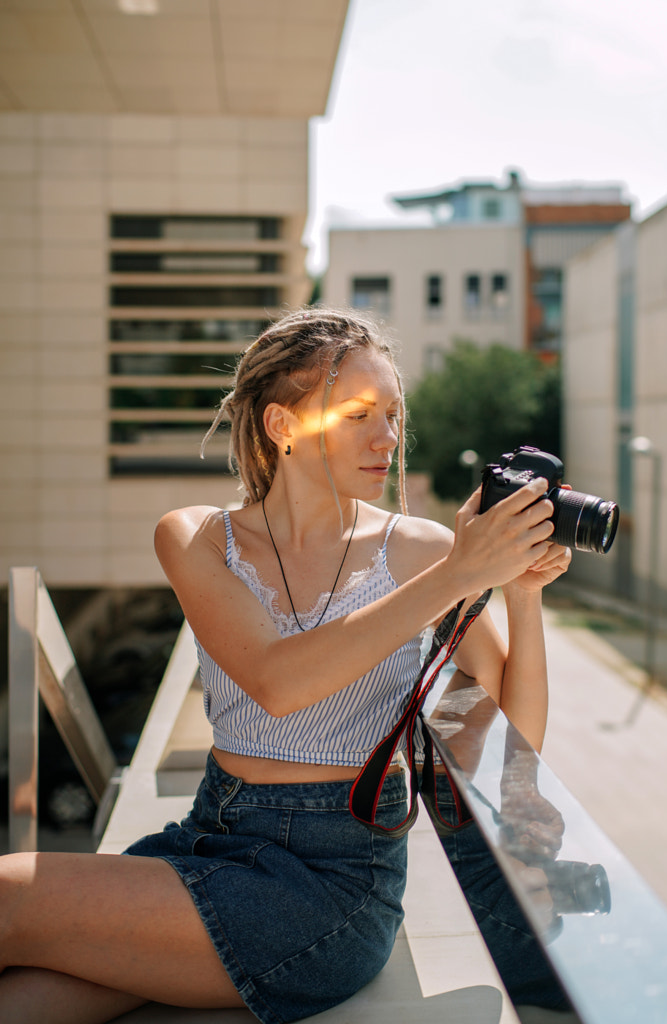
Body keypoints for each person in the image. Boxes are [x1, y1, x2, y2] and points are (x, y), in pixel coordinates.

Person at [0, 307, 571, 1024]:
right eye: (360, 413)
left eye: (394, 414)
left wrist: (518, 594)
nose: (387, 438)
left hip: (331, 886)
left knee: (11, 895)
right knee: (24, 999)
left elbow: (519, 727)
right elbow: (277, 681)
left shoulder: (424, 552)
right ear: (282, 426)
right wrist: (461, 572)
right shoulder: (197, 537)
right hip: (211, 835)